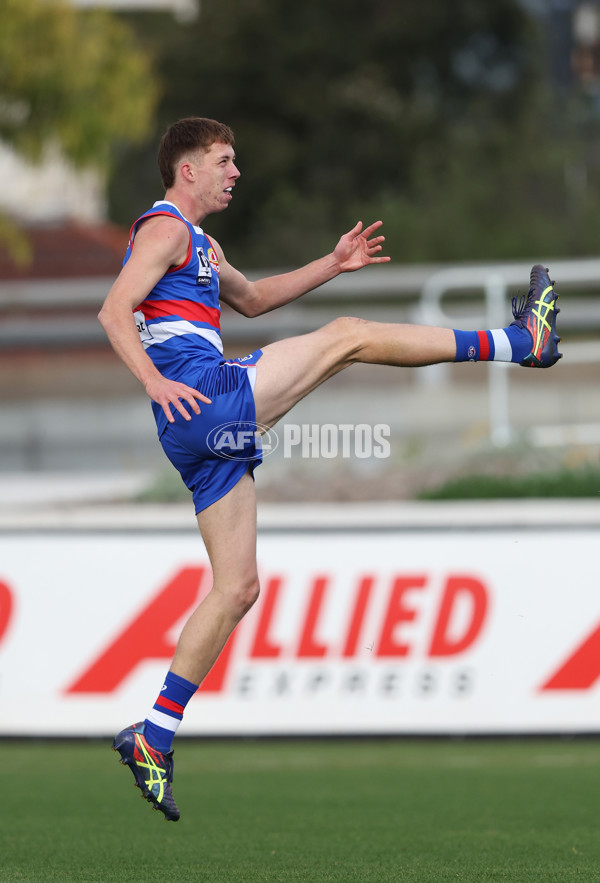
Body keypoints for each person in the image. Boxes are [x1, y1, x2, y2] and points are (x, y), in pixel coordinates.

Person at [99, 116, 562, 821]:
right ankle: (519, 339)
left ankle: (154, 735)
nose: (236, 171)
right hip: (203, 402)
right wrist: (153, 382)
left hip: (193, 431)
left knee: (237, 587)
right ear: (185, 168)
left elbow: (251, 300)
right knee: (350, 338)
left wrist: (331, 263)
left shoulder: (200, 244)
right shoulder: (164, 229)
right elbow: (113, 310)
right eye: (224, 160)